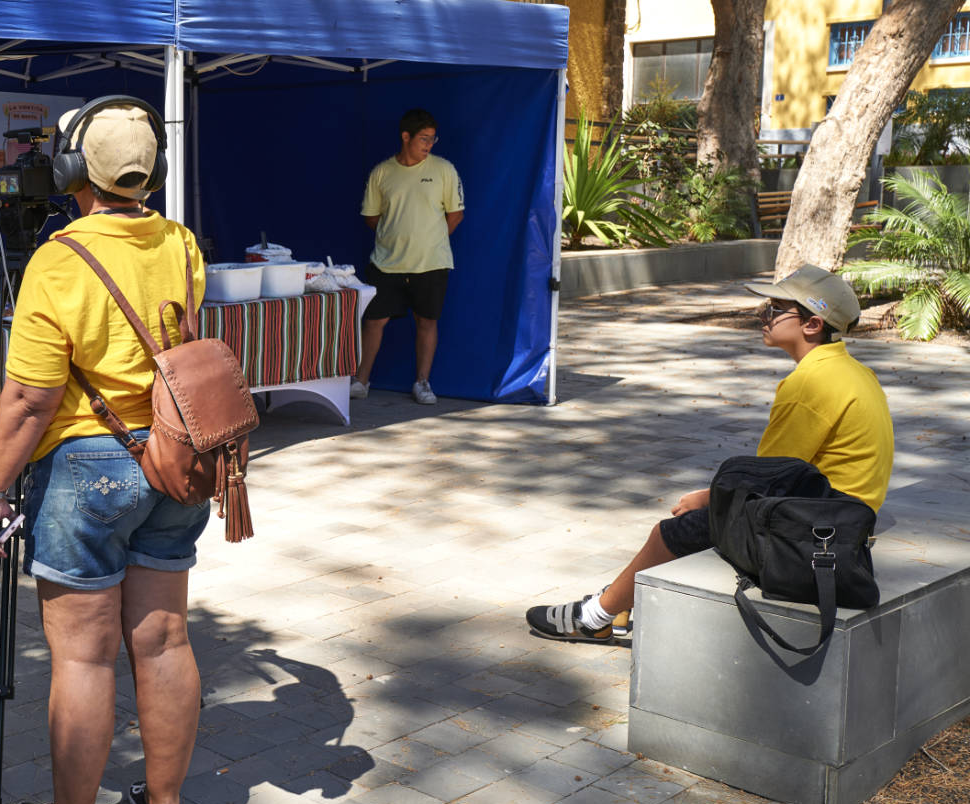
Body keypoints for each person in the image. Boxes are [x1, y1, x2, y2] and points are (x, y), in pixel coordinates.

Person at [0, 100, 210, 804]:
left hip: (87, 465)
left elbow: (29, 397)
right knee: (165, 635)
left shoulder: (58, 258)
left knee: (83, 656)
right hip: (176, 460)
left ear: (74, 171)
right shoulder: (181, 242)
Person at [527, 265, 894, 644]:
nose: (761, 315)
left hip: (822, 525)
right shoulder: (852, 371)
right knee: (701, 518)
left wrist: (706, 500)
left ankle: (595, 616)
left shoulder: (810, 383)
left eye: (774, 309)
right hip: (845, 513)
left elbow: (767, 480)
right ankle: (616, 600)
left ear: (812, 325)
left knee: (676, 529)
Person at [352, 108, 464, 405]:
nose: (429, 144)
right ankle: (361, 381)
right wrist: (398, 236)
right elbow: (372, 217)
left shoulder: (444, 170)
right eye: (424, 138)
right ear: (406, 137)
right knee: (374, 321)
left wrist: (428, 241)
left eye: (432, 139)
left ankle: (422, 382)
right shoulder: (382, 172)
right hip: (386, 263)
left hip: (431, 263)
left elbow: (455, 214)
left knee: (427, 321)